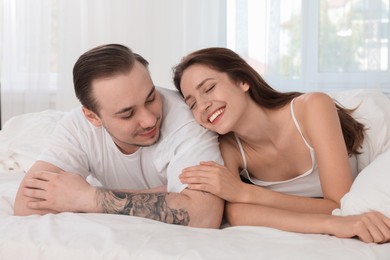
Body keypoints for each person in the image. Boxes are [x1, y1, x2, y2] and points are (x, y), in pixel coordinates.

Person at [172, 47, 390, 243]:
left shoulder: (312, 107)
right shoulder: (228, 148)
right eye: (192, 104)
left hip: (377, 134)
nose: (203, 105)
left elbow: (340, 204)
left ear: (242, 81)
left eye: (209, 88)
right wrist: (331, 224)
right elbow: (238, 214)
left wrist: (244, 192)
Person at [13, 44, 224, 228]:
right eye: (128, 114)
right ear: (92, 116)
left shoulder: (187, 118)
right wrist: (165, 192)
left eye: (151, 98)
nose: (149, 120)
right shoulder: (78, 127)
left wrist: (88, 197)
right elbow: (26, 205)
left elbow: (205, 215)